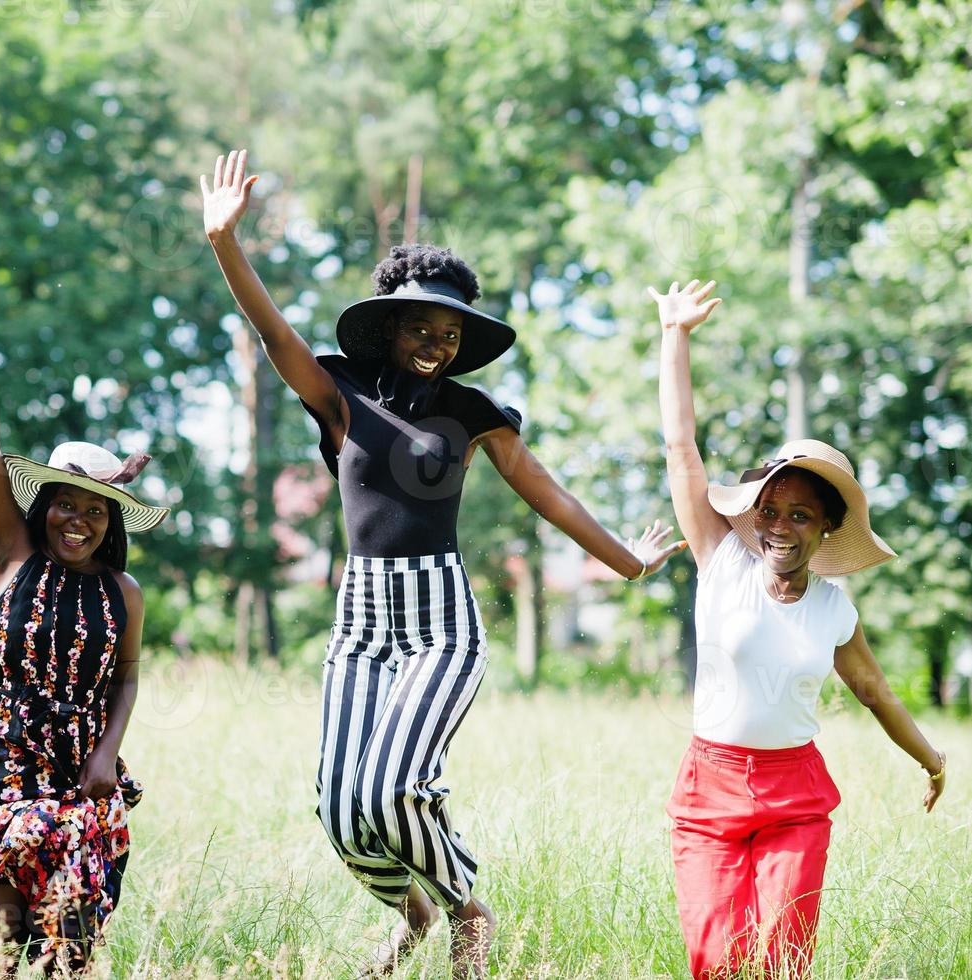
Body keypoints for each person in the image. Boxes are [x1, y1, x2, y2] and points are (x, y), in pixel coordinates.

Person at [201, 149, 685, 978]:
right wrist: (224, 243)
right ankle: (413, 911)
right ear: (389, 328)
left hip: (439, 620)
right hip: (359, 616)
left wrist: (627, 563)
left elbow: (549, 494)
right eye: (421, 328)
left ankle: (466, 911)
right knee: (339, 806)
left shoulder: (472, 411)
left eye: (450, 333)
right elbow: (271, 330)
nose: (435, 344)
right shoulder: (339, 391)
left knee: (392, 786)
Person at [650, 278, 947, 979]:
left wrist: (932, 760)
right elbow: (678, 447)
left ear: (825, 531)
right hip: (709, 787)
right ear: (753, 514)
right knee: (716, 962)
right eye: (770, 509)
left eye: (800, 515)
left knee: (783, 960)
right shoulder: (719, 561)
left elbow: (874, 690)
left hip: (795, 796)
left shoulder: (833, 607)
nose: (779, 526)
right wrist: (675, 337)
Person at [0, 273, 165, 977]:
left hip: (81, 764)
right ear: (44, 507)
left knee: (73, 932)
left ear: (112, 520)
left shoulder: (122, 593)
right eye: (67, 504)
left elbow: (125, 681)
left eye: (96, 510)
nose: (80, 520)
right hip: (0, 759)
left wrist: (105, 754)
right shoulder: (9, 556)